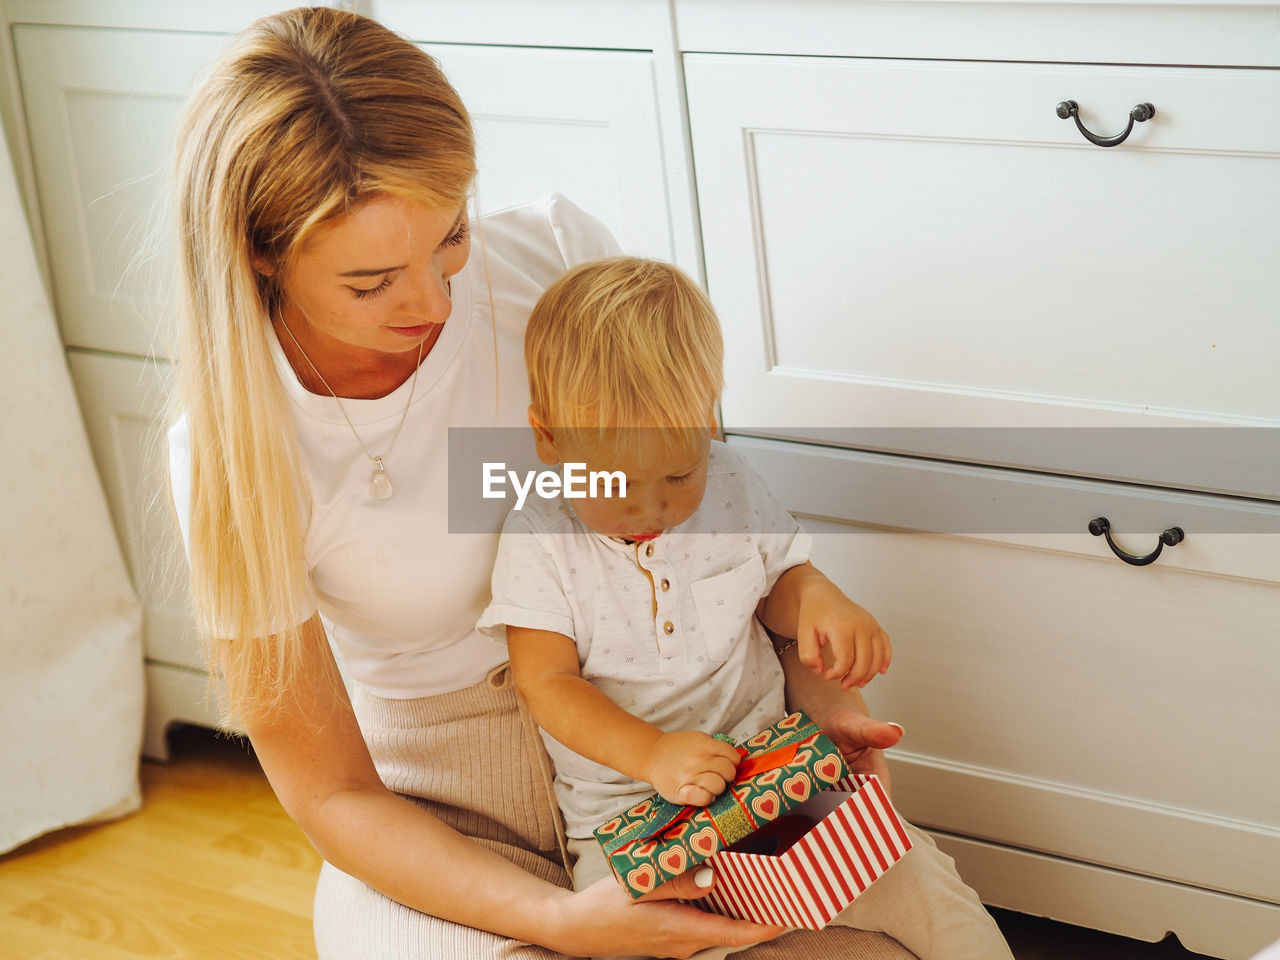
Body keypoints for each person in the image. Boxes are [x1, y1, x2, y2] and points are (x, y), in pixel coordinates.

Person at [163, 6, 962, 959]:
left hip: (684, 739)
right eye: (371, 283)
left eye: (450, 237)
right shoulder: (231, 451)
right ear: (257, 255)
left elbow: (696, 508)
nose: (432, 302)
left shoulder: (552, 260)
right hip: (441, 812)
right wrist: (558, 921)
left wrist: (815, 707)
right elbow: (333, 793)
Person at [478, 257, 1015, 959]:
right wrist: (653, 755)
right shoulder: (540, 534)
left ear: (708, 426)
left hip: (781, 779)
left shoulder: (731, 482)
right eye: (616, 482)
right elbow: (545, 683)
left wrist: (824, 602)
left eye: (677, 474)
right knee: (637, 938)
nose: (652, 509)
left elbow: (783, 581)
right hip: (636, 820)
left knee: (923, 882)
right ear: (548, 439)